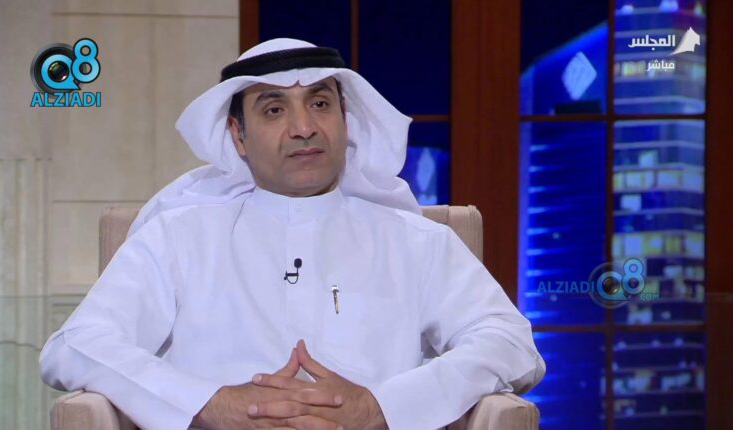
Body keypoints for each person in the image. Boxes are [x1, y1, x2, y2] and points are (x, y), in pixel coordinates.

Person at [40, 38, 545, 430]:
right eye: (274, 109)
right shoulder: (179, 237)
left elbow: (511, 344)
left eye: (320, 104)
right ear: (237, 136)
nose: (304, 128)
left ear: (346, 121)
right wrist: (210, 404)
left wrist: (382, 407)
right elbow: (76, 345)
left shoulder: (415, 242)